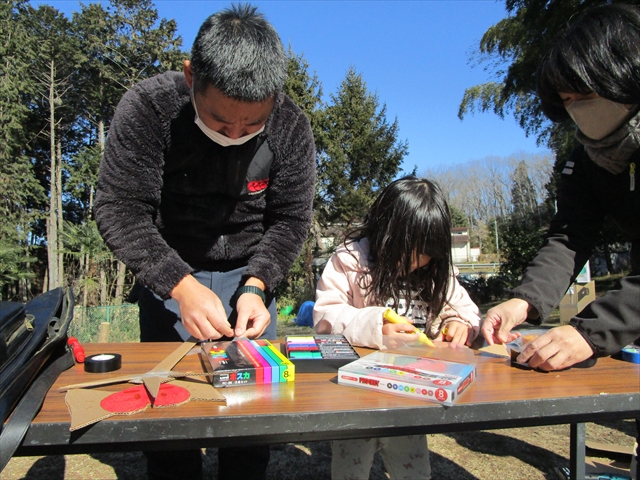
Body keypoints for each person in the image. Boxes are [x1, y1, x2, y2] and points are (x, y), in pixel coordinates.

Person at [94, 4, 316, 480]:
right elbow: (119, 208)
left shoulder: (292, 126)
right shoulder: (149, 107)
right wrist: (179, 284)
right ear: (192, 74)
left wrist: (257, 286)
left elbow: (291, 219)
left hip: (253, 271)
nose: (233, 136)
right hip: (169, 270)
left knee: (251, 420)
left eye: (251, 126)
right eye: (218, 121)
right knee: (172, 419)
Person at [480, 5, 639, 479]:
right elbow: (570, 235)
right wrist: (524, 302)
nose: (577, 112)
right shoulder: (588, 159)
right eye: (566, 101)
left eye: (584, 95)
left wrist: (589, 331)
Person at [314, 176, 482, 480]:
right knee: (349, 472)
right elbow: (326, 318)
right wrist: (374, 327)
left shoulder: (435, 273)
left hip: (411, 394)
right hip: (357, 396)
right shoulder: (351, 260)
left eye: (427, 252)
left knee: (415, 471)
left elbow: (466, 309)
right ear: (385, 232)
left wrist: (458, 323)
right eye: (409, 250)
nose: (417, 261)